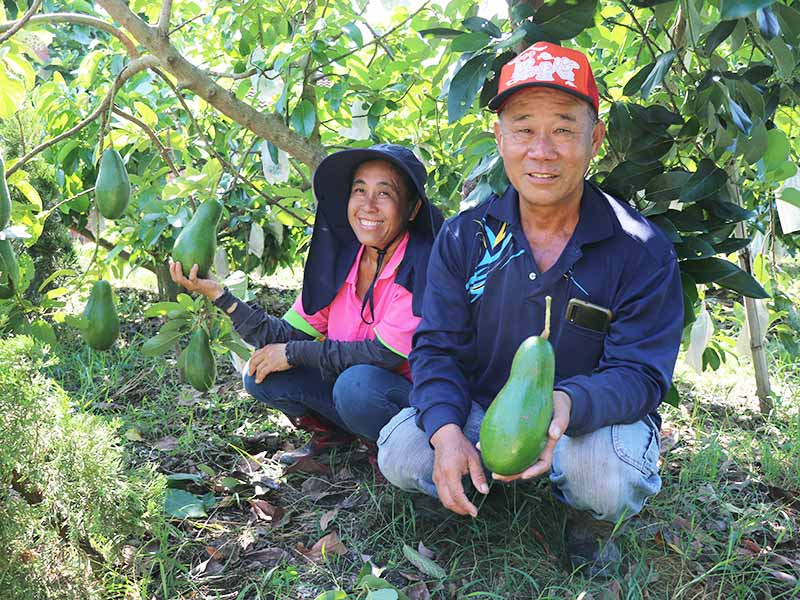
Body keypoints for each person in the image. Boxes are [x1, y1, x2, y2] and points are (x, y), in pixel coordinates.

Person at [377, 42, 683, 578]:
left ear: (595, 139)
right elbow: (437, 347)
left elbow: (641, 375)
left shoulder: (639, 247)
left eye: (564, 128)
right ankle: (478, 480)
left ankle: (583, 517)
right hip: (485, 411)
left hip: (588, 424)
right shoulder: (465, 236)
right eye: (522, 128)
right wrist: (447, 431)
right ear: (500, 137)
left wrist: (567, 402)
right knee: (404, 451)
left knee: (603, 477)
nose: (542, 149)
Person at [171, 143, 443, 465]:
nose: (368, 205)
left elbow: (382, 354)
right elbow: (284, 334)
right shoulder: (344, 262)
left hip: (410, 399)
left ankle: (387, 452)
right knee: (260, 371)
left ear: (411, 209)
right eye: (359, 190)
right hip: (353, 386)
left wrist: (291, 353)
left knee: (355, 386)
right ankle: (336, 439)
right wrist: (220, 296)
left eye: (384, 194)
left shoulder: (421, 266)